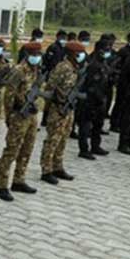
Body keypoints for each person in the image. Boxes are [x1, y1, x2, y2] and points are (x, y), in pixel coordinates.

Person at [0, 41, 44, 201]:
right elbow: (9, 95)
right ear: (28, 55)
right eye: (34, 55)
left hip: (31, 115)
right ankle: (1, 185)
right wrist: (9, 116)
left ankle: (19, 180)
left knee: (27, 148)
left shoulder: (35, 69)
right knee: (12, 150)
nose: (37, 57)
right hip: (18, 115)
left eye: (39, 55)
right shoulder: (18, 71)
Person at [40, 41, 86, 184]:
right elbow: (50, 87)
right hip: (58, 108)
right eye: (79, 53)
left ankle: (57, 166)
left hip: (69, 109)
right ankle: (46, 170)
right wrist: (56, 103)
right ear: (72, 54)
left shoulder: (75, 67)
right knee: (53, 139)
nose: (82, 56)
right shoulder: (62, 67)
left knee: (63, 138)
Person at [76, 35, 113, 159]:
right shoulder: (93, 64)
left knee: (98, 124)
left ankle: (95, 146)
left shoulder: (104, 64)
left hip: (101, 99)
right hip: (90, 100)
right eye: (106, 49)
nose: (108, 51)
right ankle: (84, 149)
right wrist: (97, 97)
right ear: (99, 50)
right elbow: (91, 85)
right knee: (85, 125)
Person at [109, 32, 130, 133]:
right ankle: (114, 123)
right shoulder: (123, 51)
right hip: (123, 80)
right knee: (119, 102)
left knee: (127, 104)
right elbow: (116, 65)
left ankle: (121, 123)